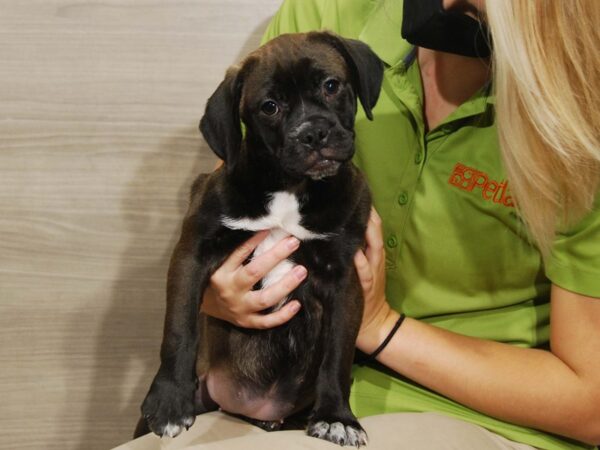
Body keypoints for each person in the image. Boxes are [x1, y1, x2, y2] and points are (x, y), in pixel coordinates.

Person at [121, 1, 600, 449]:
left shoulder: (580, 107)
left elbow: (591, 406)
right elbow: (233, 198)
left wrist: (379, 326)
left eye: (331, 89)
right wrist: (219, 291)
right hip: (287, 387)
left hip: (476, 413)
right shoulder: (331, 13)